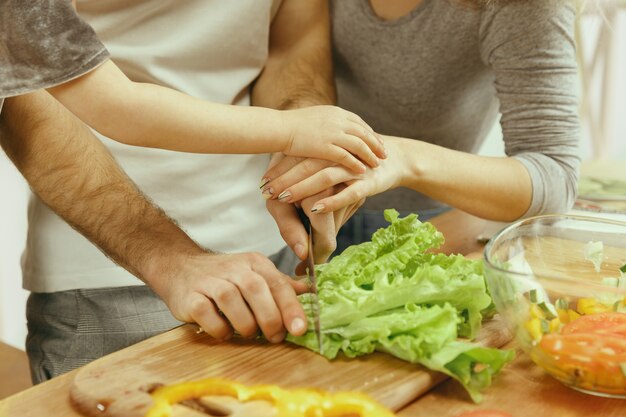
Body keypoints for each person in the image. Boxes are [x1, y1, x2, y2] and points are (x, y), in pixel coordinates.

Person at [6, 0, 361, 383]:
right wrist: (291, 129)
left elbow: (294, 43)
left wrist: (302, 153)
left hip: (272, 253)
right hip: (110, 281)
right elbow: (115, 105)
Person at [262, 0, 581, 253]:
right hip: (289, 217)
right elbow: (289, 54)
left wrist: (399, 158)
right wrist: (300, 139)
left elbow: (555, 177)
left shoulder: (522, 7)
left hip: (429, 233)